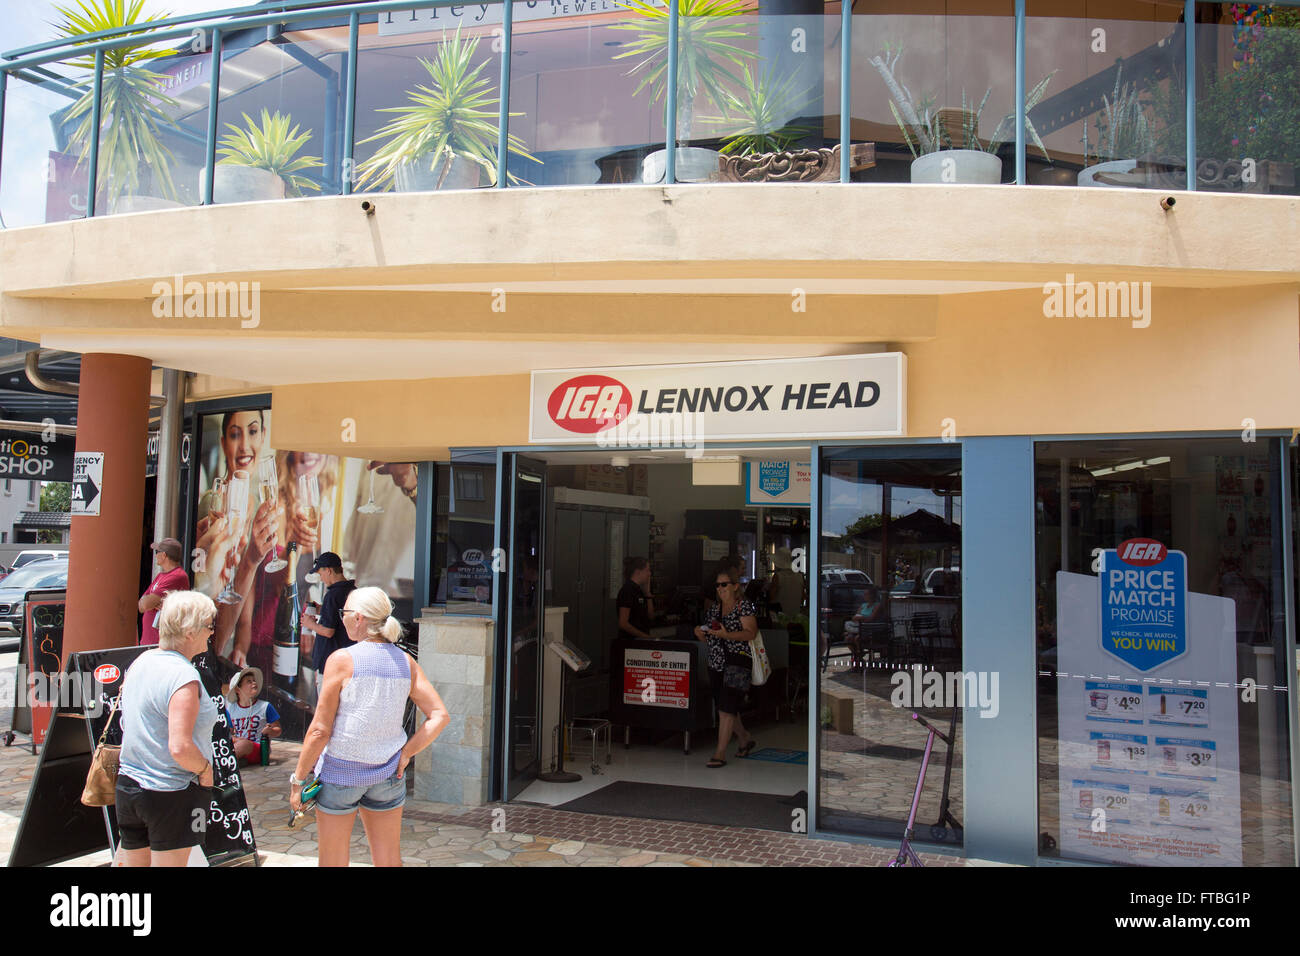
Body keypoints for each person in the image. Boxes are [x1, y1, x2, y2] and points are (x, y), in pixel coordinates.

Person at [290, 587, 450, 867]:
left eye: (344, 613)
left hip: (341, 772)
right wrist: (406, 753)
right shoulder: (405, 661)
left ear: (359, 618)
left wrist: (299, 780)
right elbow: (439, 715)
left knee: (332, 861)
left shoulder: (341, 660)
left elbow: (319, 730)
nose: (341, 619)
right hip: (387, 773)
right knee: (388, 860)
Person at [115, 590, 219, 867]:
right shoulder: (183, 675)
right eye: (208, 625)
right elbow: (180, 746)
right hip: (169, 791)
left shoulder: (141, 663)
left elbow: (129, 724)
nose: (211, 633)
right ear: (189, 632)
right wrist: (205, 770)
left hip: (129, 787)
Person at [693, 564, 758, 768]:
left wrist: (726, 635)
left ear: (735, 586)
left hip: (738, 660)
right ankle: (745, 738)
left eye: (724, 585)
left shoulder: (743, 607)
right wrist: (701, 633)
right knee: (724, 706)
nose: (720, 589)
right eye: (717, 585)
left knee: (726, 707)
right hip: (717, 662)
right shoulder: (714, 609)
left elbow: (751, 633)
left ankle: (720, 753)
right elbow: (710, 636)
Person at [300, 552, 356, 699]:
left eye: (321, 573)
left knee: (328, 713)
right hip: (349, 663)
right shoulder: (353, 591)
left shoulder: (332, 595)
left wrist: (309, 624)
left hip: (330, 664)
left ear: (328, 570)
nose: (321, 579)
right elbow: (339, 619)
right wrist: (321, 609)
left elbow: (329, 631)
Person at [223, 666, 282, 765]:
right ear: (238, 689)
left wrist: (270, 731)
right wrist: (236, 739)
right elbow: (228, 734)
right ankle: (236, 760)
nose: (254, 683)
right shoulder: (231, 709)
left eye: (254, 681)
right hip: (240, 744)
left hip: (258, 749)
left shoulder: (265, 706)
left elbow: (278, 730)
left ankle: (225, 764)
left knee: (244, 744)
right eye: (249, 681)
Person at [138, 538, 189, 646]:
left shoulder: (177, 575)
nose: (155, 555)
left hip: (162, 643)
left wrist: (149, 602)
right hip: (149, 641)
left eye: (157, 552)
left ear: (164, 555)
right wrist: (150, 602)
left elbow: (146, 604)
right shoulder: (161, 576)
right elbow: (141, 606)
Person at [616, 556, 654, 640]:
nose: (649, 574)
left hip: (640, 640)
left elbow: (650, 616)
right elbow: (623, 623)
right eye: (647, 570)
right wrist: (645, 637)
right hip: (630, 641)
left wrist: (647, 594)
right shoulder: (627, 591)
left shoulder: (639, 590)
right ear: (638, 572)